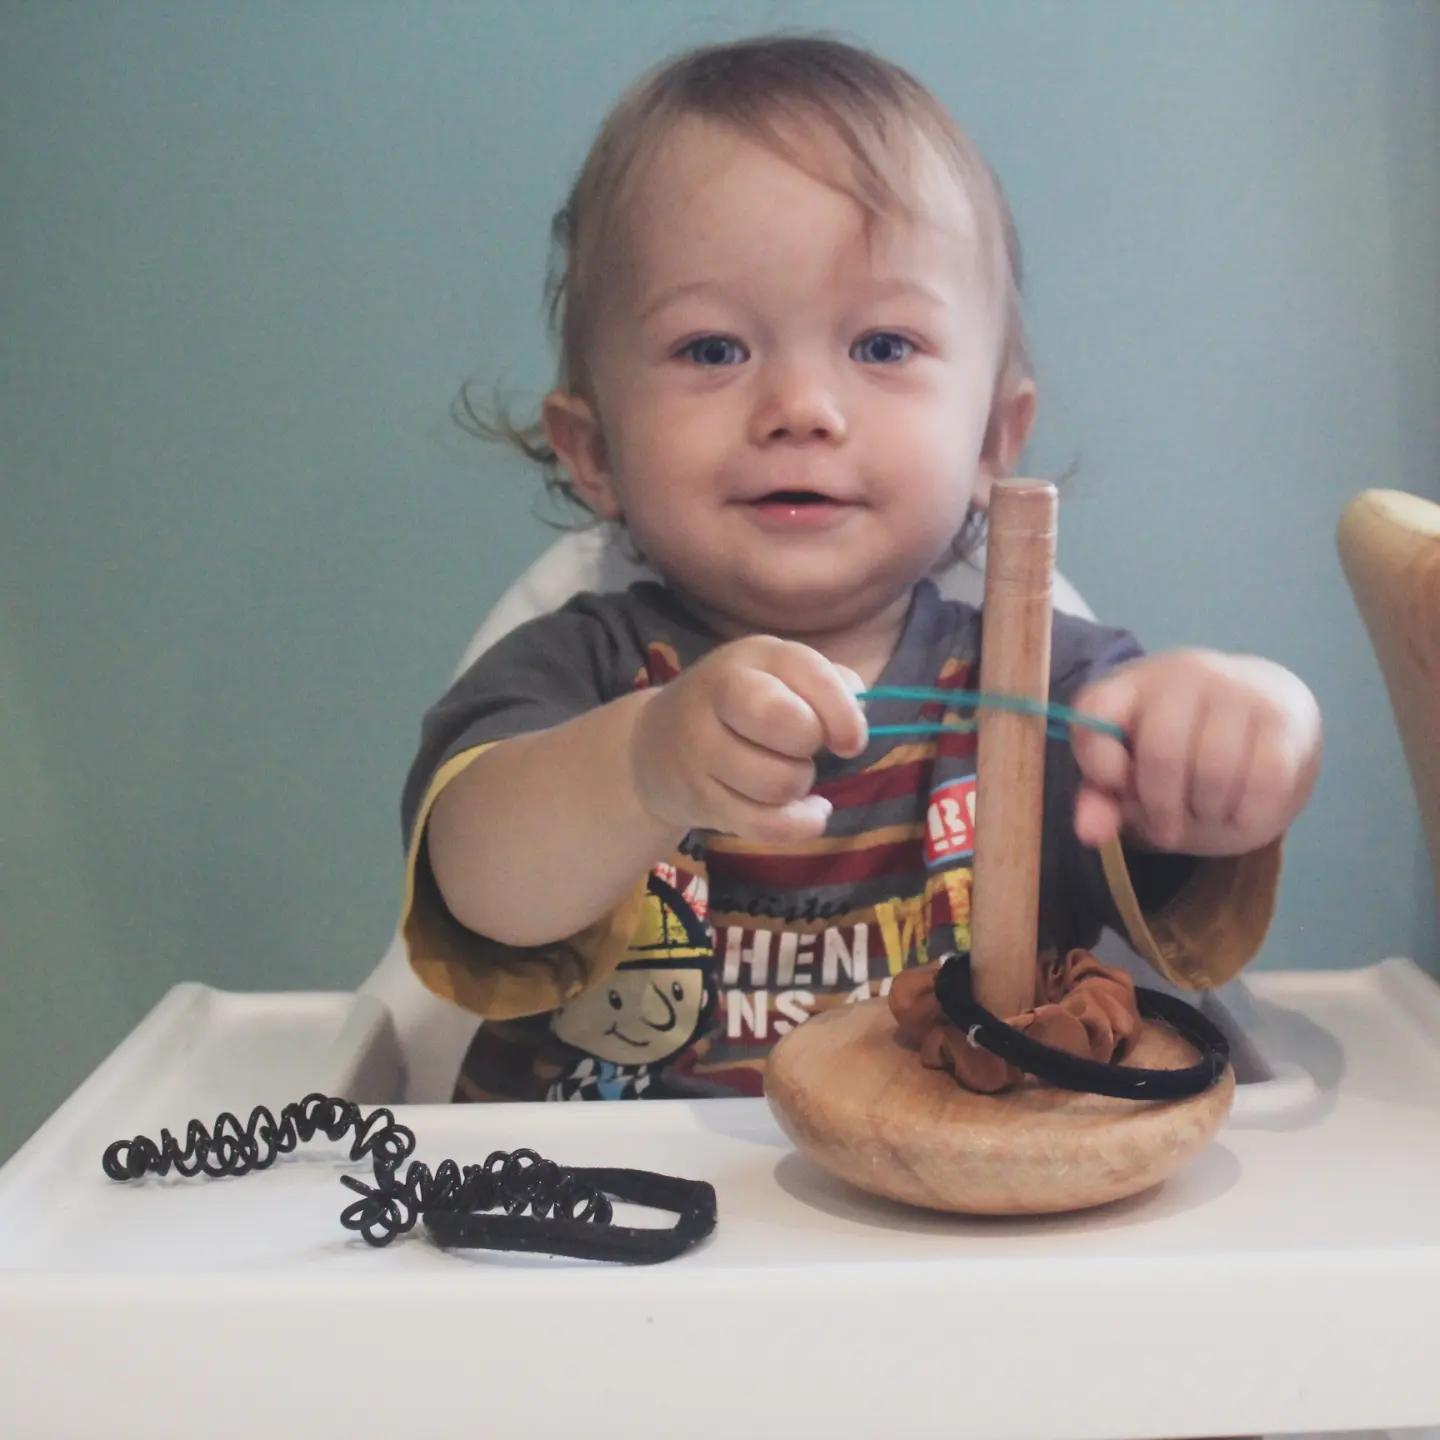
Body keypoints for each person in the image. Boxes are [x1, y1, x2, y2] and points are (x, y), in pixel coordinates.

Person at [399, 35, 1322, 1103]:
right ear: (595, 449)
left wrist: (1233, 746)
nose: (802, 408)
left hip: (943, 1190)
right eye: (712, 349)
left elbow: (1161, 837)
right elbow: (482, 888)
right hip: (605, 1190)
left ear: (993, 440)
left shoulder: (1037, 688)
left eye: (883, 346)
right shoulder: (580, 669)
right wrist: (640, 767)